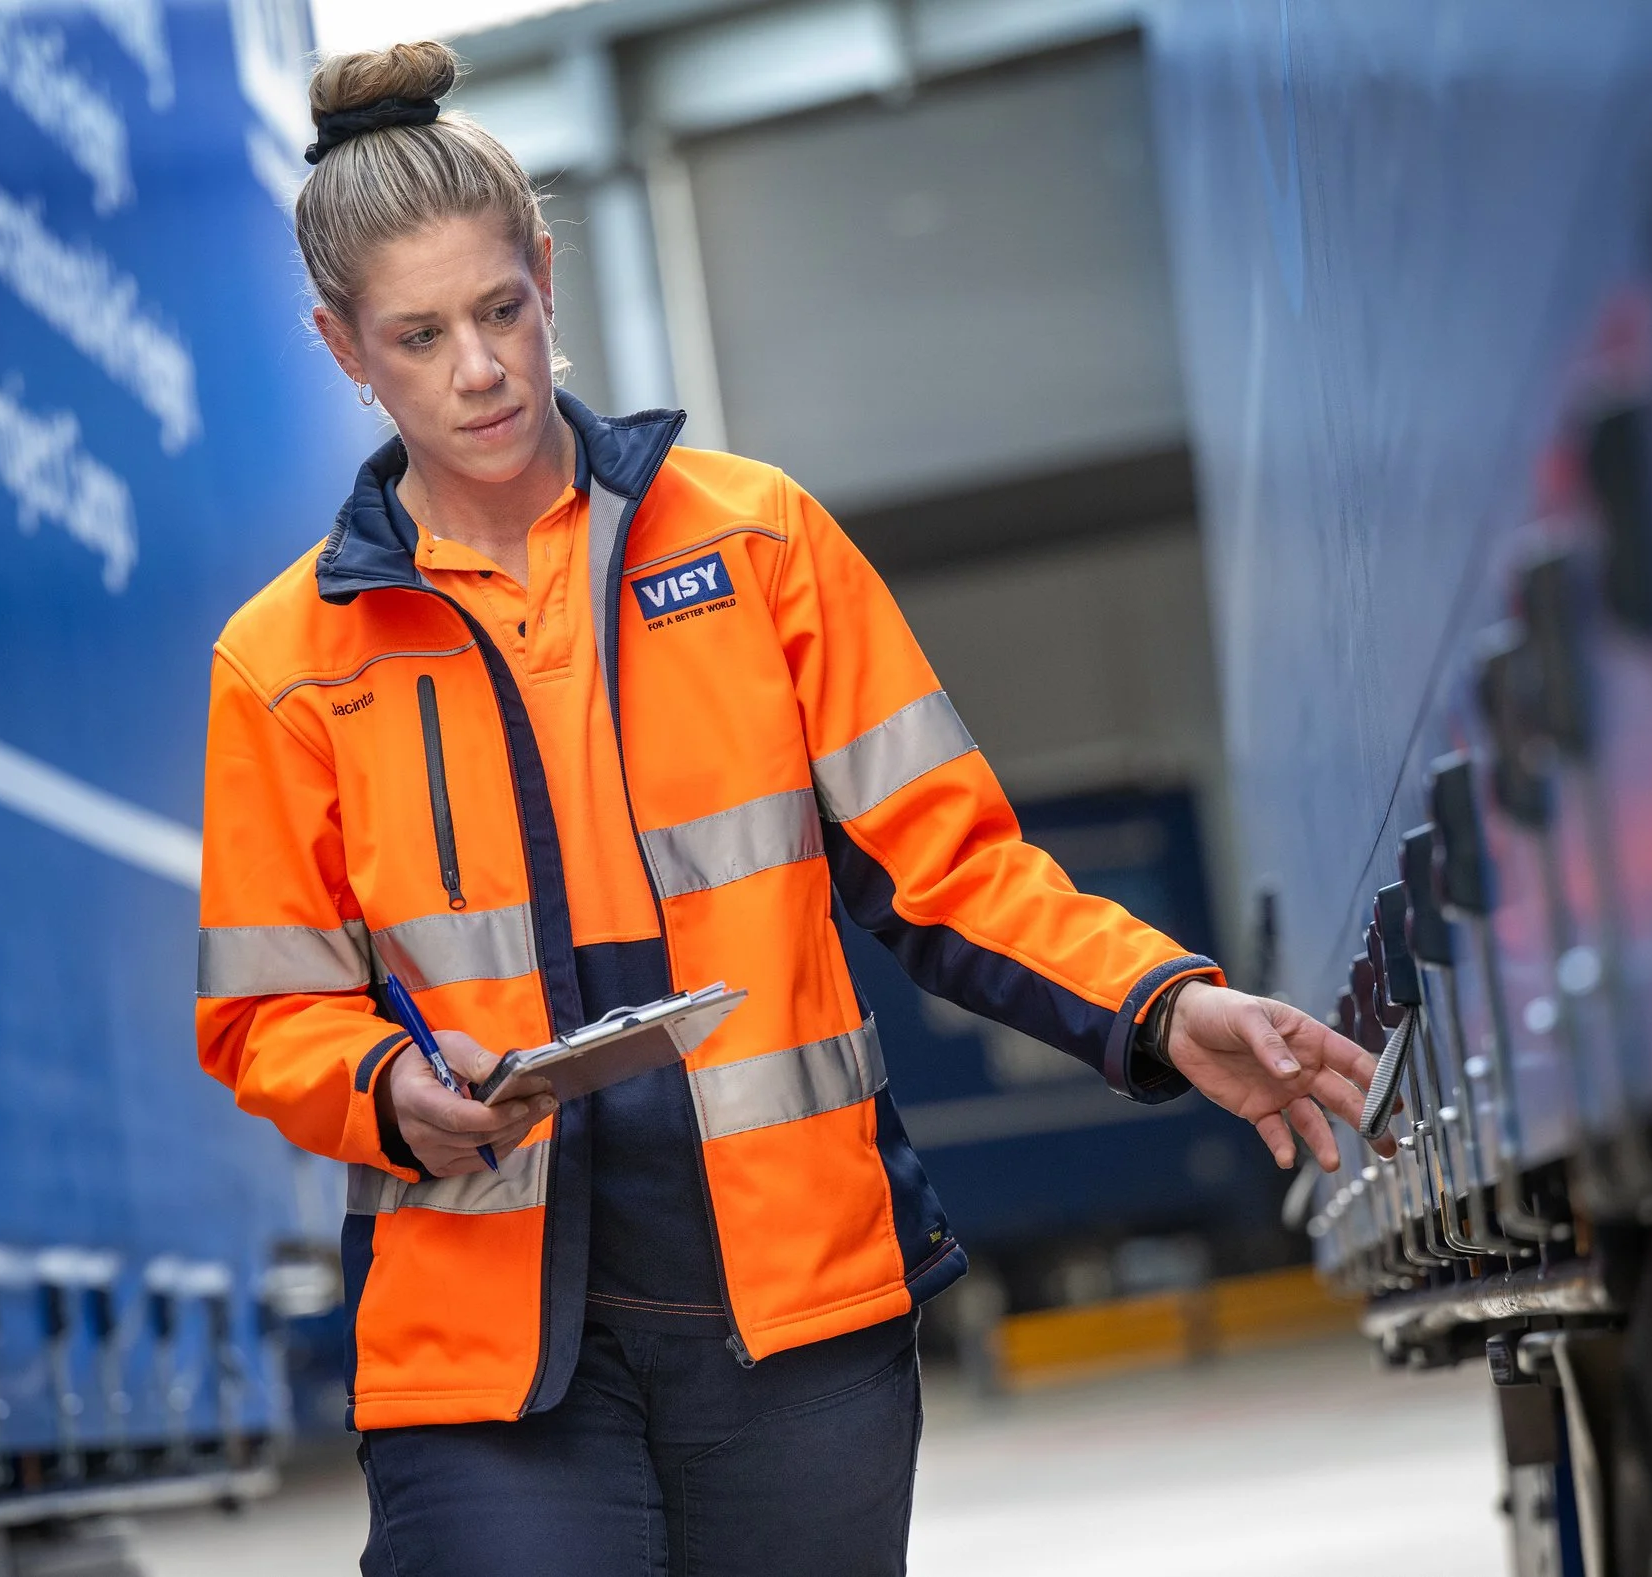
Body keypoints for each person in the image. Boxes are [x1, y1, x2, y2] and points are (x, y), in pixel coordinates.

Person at [195, 39, 1387, 1577]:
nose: (480, 368)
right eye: (419, 337)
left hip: (790, 1318)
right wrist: (383, 1091)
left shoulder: (762, 545)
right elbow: (265, 1015)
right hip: (485, 1343)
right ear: (345, 349)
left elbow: (956, 872)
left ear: (549, 276)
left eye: (500, 310)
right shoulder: (283, 661)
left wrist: (1160, 1006)